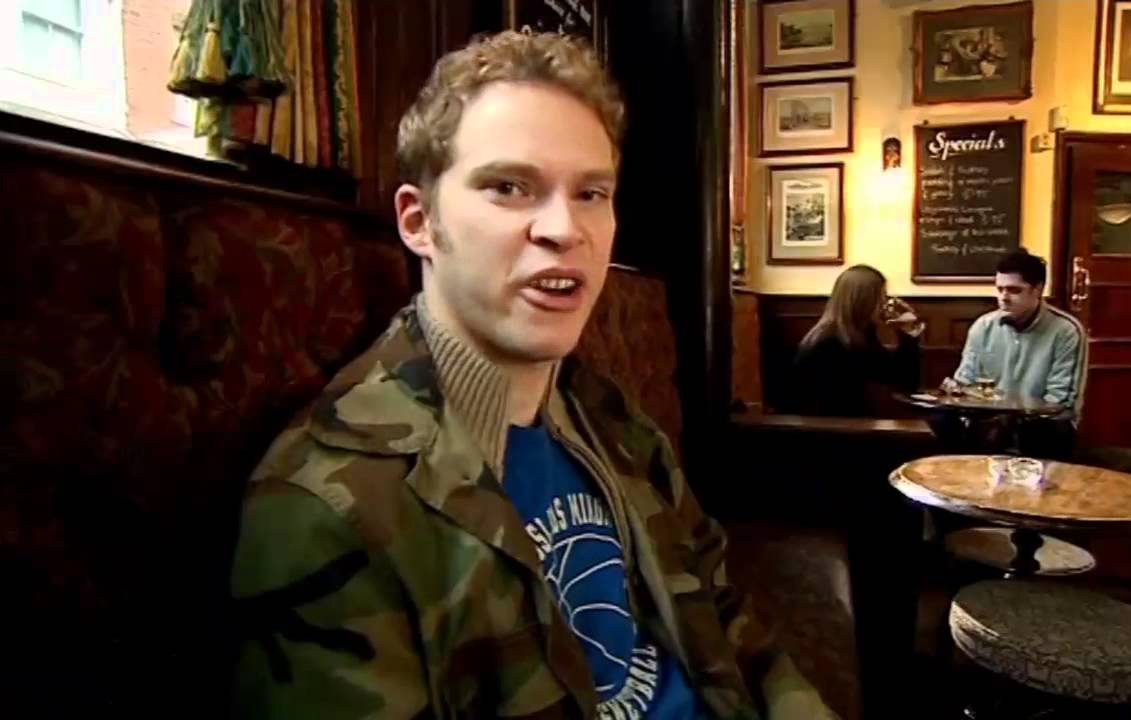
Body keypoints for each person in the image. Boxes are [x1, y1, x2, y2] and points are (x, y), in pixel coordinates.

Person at [230, 31, 834, 719]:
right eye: (510, 187)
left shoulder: (609, 417)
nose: (564, 229)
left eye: (591, 192)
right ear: (419, 221)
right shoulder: (328, 502)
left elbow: (726, 619)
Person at [947, 249, 1087, 457]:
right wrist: (956, 391)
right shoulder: (983, 327)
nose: (1003, 297)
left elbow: (1060, 402)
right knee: (945, 421)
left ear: (1037, 290)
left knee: (1047, 429)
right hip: (990, 425)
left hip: (1042, 428)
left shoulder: (1066, 331)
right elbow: (966, 383)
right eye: (1000, 289)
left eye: (1014, 290)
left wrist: (1013, 418)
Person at [785, 265, 924, 417]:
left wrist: (907, 335)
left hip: (849, 423)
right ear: (864, 301)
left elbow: (902, 380)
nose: (885, 303)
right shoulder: (829, 342)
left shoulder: (861, 335)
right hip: (828, 427)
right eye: (881, 296)